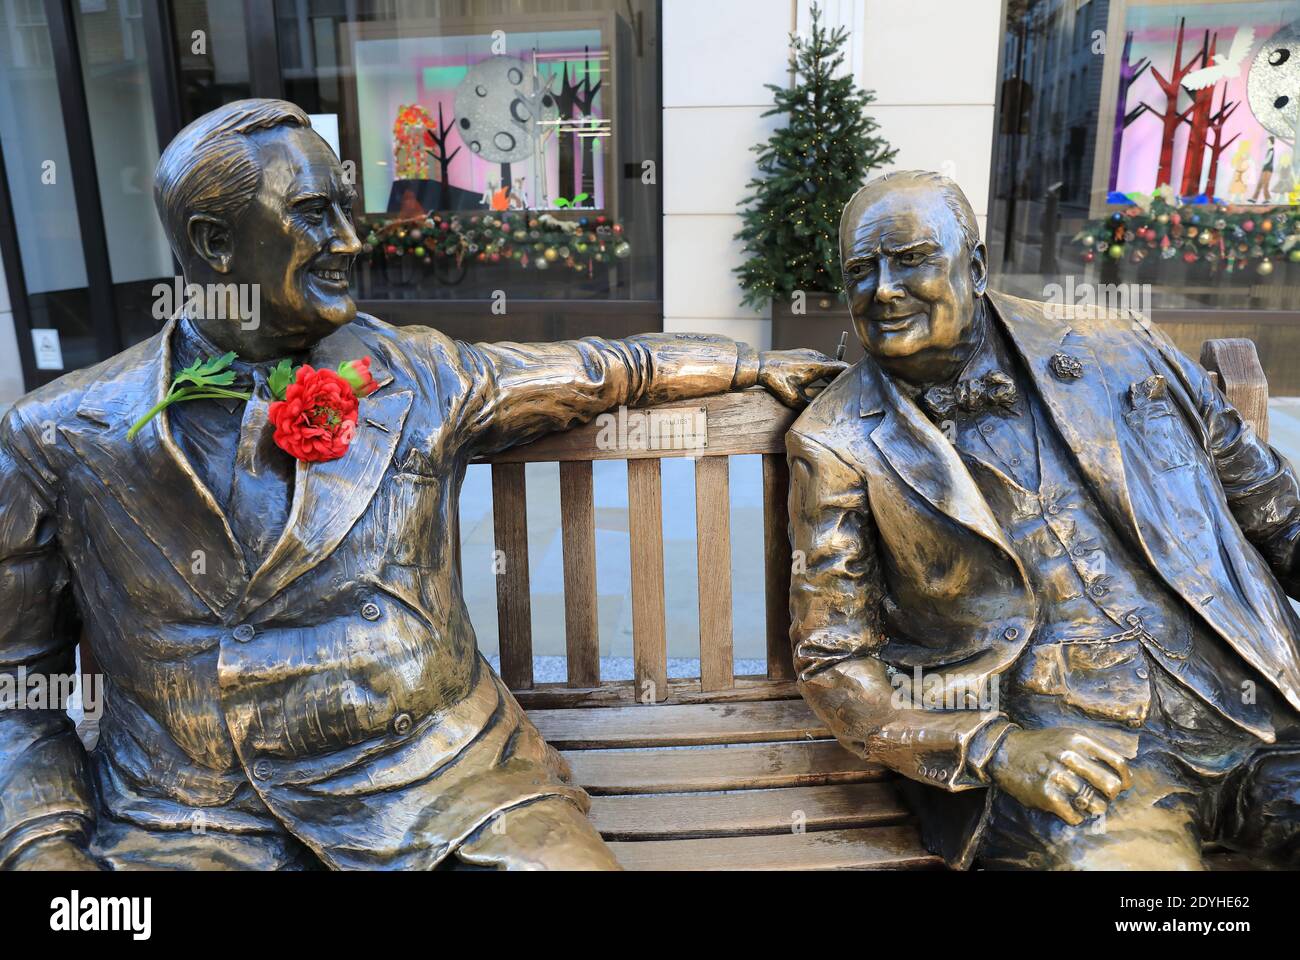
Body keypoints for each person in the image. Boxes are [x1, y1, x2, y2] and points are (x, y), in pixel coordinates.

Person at [0, 99, 842, 871]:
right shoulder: (59, 434)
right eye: (312, 215)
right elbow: (14, 693)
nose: (351, 242)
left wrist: (754, 363)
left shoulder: (417, 373)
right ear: (216, 245)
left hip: (443, 787)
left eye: (344, 209)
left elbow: (600, 369)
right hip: (189, 824)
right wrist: (41, 846)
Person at [787, 169, 1300, 869]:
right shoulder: (835, 438)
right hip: (1082, 763)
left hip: (1265, 702)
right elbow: (834, 659)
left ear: (976, 266)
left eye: (910, 260)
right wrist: (995, 749)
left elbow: (1278, 513)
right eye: (860, 270)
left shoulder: (1122, 347)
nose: (883, 290)